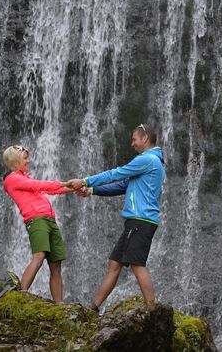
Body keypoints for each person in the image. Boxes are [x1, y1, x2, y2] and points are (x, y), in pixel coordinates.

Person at [67, 124, 165, 311]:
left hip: (141, 220)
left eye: (134, 139)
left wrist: (85, 181)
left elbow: (116, 174)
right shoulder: (150, 163)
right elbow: (122, 185)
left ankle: (153, 310)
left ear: (145, 138)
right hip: (136, 221)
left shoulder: (148, 159)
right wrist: (92, 190)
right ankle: (93, 308)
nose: (132, 144)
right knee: (114, 263)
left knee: (137, 265)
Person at [2, 144, 75, 303]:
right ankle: (20, 295)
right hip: (36, 220)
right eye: (25, 158)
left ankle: (59, 305)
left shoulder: (24, 178)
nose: (29, 160)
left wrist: (75, 188)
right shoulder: (12, 179)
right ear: (15, 161)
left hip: (49, 220)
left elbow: (50, 190)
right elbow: (39, 185)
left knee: (56, 265)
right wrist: (64, 183)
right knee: (39, 256)